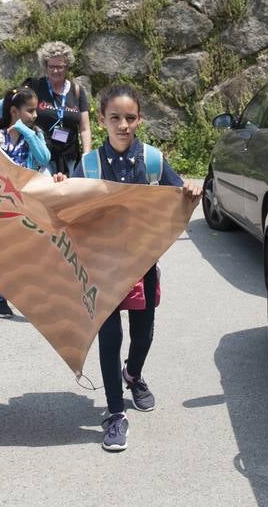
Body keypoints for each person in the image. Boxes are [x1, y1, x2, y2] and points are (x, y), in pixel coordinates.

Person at [80, 83, 200, 453]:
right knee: (110, 336)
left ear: (139, 120)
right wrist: (58, 184)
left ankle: (132, 374)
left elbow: (177, 192)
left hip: (144, 263)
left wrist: (190, 189)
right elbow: (65, 206)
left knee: (144, 334)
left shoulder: (151, 160)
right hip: (102, 265)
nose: (123, 125)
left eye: (130, 118)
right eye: (114, 117)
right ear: (101, 121)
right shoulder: (89, 164)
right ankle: (115, 414)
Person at [0, 86, 54, 316]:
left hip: (29, 202)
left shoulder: (35, 135)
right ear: (14, 111)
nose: (34, 115)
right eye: (30, 111)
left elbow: (44, 158)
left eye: (36, 111)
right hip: (1, 205)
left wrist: (27, 132)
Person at [25, 41, 91, 178]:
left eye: (60, 67)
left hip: (70, 157)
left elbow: (85, 128)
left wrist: (87, 155)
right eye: (51, 66)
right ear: (45, 66)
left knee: (70, 196)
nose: (55, 71)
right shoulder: (35, 87)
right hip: (42, 156)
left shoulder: (77, 91)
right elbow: (17, 111)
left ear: (67, 67)